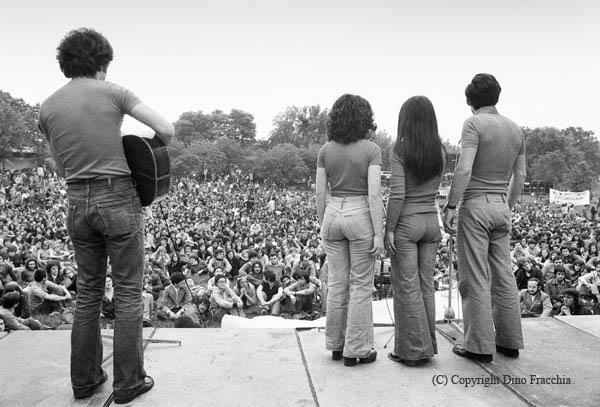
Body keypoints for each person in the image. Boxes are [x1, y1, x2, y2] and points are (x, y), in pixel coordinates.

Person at [38, 28, 174, 403]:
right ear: (103, 61)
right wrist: (137, 150)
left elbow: (62, 169)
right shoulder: (115, 92)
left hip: (76, 200)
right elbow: (166, 129)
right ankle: (128, 383)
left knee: (88, 294)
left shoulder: (47, 107)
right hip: (116, 197)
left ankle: (84, 381)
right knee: (129, 292)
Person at [443, 74, 526, 362]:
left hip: (476, 205)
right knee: (504, 275)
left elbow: (464, 169)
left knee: (475, 276)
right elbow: (521, 176)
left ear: (470, 101)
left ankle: (478, 345)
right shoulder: (515, 129)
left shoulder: (473, 124)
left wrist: (451, 205)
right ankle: (510, 341)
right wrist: (507, 205)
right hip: (501, 205)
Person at [316, 94, 384, 367]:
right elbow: (375, 195)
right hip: (359, 214)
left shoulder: (325, 150)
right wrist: (378, 233)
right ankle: (356, 350)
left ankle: (335, 345)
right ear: (364, 119)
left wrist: (325, 221)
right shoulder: (371, 150)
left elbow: (320, 194)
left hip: (332, 213)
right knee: (360, 286)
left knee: (337, 284)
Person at [384, 96, 445, 367]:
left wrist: (389, 230)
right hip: (431, 221)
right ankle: (428, 347)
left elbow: (397, 194)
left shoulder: (399, 150)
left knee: (406, 286)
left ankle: (410, 351)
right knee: (426, 286)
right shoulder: (440, 151)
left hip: (407, 222)